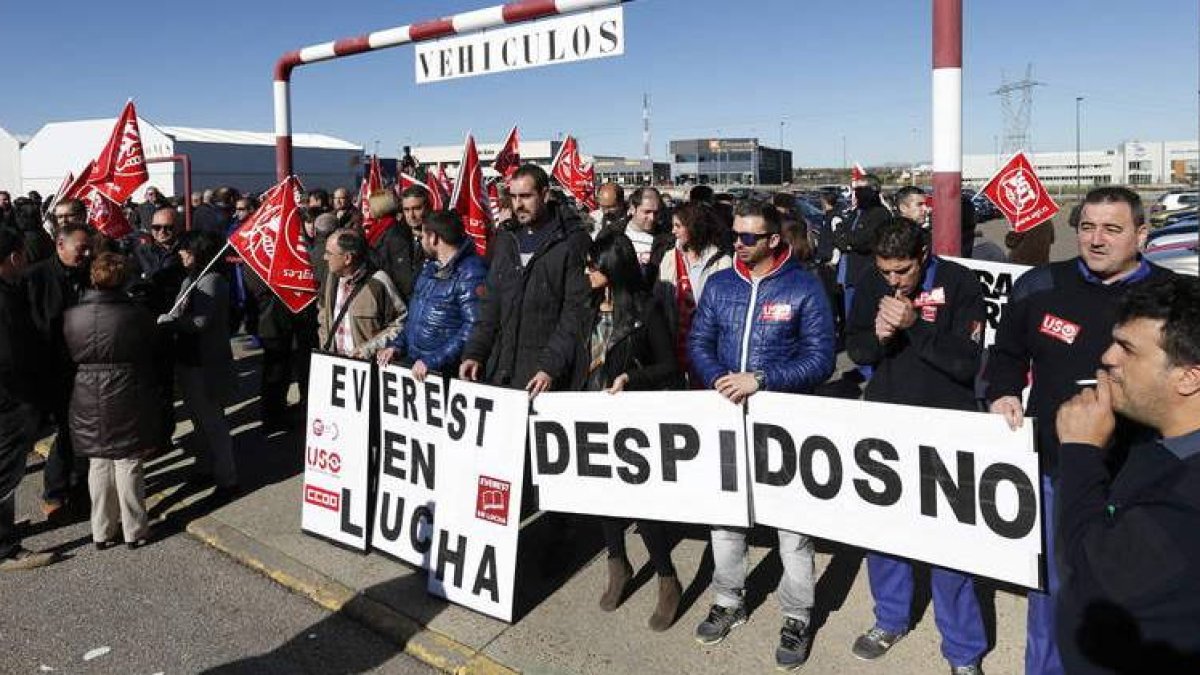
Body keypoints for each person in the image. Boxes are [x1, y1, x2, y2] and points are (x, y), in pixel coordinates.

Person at [984, 186, 1175, 675]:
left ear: (1142, 234)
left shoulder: (1175, 297)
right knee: (1053, 593)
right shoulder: (1039, 285)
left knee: (1138, 598)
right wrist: (1002, 390)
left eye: (1112, 229)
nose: (1096, 239)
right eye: (1087, 227)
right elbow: (1005, 354)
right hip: (1059, 472)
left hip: (1146, 478)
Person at [688, 200, 835, 671]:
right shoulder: (719, 283)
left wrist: (762, 379)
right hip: (728, 418)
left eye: (748, 237)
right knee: (726, 518)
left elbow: (821, 358)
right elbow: (698, 342)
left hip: (785, 423)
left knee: (792, 529)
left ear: (773, 240)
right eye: (735, 234)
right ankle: (728, 600)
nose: (738, 243)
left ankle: (796, 615)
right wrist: (720, 380)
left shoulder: (804, 288)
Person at [845, 217, 988, 675]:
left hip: (947, 426)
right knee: (884, 531)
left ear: (923, 255)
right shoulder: (872, 280)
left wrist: (913, 328)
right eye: (886, 271)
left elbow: (967, 364)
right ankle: (890, 618)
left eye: (902, 271)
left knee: (949, 544)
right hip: (887, 425)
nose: (893, 280)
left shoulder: (960, 281)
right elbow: (857, 350)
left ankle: (963, 651)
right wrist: (878, 339)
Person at [1054, 275, 1200, 674]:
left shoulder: (1188, 502)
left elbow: (1089, 575)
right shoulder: (1157, 438)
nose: (1107, 357)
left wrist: (1081, 452)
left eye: (1127, 349)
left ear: (1188, 377)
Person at [581, 231, 684, 630]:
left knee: (641, 505)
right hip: (588, 414)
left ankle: (666, 576)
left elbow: (669, 366)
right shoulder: (586, 305)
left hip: (629, 421)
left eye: (594, 265)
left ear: (613, 268)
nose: (588, 271)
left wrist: (629, 378)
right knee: (604, 499)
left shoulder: (645, 310)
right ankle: (617, 563)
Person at [459, 164, 592, 397]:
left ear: (544, 194)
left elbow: (574, 314)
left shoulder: (571, 242)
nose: (518, 204)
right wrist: (475, 353)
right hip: (500, 371)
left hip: (543, 378)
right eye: (513, 196)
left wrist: (550, 367)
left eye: (526, 196)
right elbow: (490, 306)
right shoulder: (506, 239)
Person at [64, 252, 160, 548]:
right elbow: (150, 349)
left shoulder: (72, 315)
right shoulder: (135, 314)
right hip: (124, 387)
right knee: (128, 460)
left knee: (99, 461)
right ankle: (134, 530)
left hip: (86, 390)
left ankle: (101, 530)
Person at [159, 230, 239, 498]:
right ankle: (204, 467)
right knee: (198, 422)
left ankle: (227, 478)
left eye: (186, 249)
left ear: (199, 252)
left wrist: (172, 322)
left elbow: (200, 322)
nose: (181, 253)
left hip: (204, 363)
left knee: (213, 422)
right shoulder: (191, 279)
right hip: (187, 360)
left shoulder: (211, 281)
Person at [25, 219, 93, 519]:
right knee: (30, 434)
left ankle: (66, 491)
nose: (87, 254)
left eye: (89, 248)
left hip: (77, 370)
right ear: (59, 245)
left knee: (71, 432)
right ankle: (52, 494)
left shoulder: (89, 274)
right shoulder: (35, 278)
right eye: (81, 249)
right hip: (42, 371)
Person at [0, 229, 59, 570]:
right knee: (5, 474)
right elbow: (10, 358)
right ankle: (5, 549)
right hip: (10, 401)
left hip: (11, 397)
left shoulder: (11, 290)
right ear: (13, 257)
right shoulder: (5, 298)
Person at [376, 210, 485, 380]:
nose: (421, 241)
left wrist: (434, 360)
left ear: (433, 238)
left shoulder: (471, 273)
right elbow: (414, 318)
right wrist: (396, 345)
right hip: (416, 367)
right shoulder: (430, 270)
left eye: (423, 237)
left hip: (442, 373)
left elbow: (473, 327)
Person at [654, 202, 730, 386]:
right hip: (675, 341)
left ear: (694, 227)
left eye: (678, 226)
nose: (673, 231)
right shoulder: (670, 257)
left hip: (709, 345)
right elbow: (660, 299)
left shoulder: (722, 261)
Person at [317, 228, 406, 359]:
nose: (324, 257)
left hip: (365, 370)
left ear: (347, 258)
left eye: (329, 253)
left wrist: (369, 350)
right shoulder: (331, 278)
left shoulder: (378, 282)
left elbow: (400, 325)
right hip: (333, 367)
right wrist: (325, 344)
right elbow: (323, 313)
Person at [834, 172, 892, 318]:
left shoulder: (880, 214)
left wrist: (848, 241)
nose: (856, 194)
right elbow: (839, 235)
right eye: (855, 190)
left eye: (860, 190)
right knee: (850, 318)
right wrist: (846, 241)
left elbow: (864, 241)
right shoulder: (855, 213)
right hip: (849, 276)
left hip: (866, 276)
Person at [365, 190, 418, 302]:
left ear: (380, 207)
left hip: (393, 295)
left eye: (370, 206)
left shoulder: (394, 233)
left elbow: (402, 275)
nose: (368, 209)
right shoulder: (377, 229)